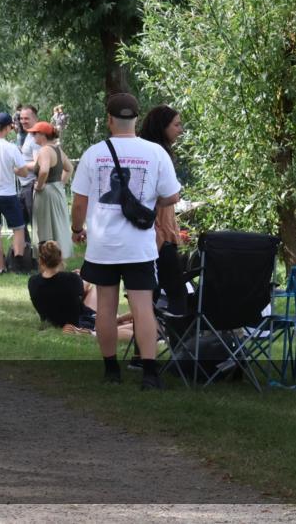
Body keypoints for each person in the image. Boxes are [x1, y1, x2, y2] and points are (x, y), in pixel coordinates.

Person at [70, 93, 181, 390]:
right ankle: (149, 373)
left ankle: (111, 371)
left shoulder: (94, 153)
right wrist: (149, 199)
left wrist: (76, 228)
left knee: (105, 307)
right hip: (139, 244)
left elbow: (79, 202)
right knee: (143, 307)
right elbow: (172, 195)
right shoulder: (155, 152)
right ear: (136, 118)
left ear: (109, 119)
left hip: (103, 244)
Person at [28, 241, 135, 339]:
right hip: (77, 321)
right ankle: (97, 332)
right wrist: (80, 277)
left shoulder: (32, 282)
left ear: (41, 260)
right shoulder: (71, 279)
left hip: (54, 320)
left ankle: (112, 322)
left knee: (131, 323)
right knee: (135, 327)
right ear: (60, 258)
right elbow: (82, 288)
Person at [139, 104, 187, 314]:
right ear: (162, 127)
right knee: (175, 291)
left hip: (150, 227)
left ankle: (150, 336)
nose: (180, 130)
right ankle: (176, 340)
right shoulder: (158, 154)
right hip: (159, 228)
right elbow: (170, 196)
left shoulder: (143, 150)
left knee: (150, 290)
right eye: (176, 125)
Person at [0, 111, 30, 273]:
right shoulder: (11, 147)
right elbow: (24, 172)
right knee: (18, 228)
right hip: (8, 193)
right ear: (7, 128)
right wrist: (12, 170)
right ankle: (18, 265)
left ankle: (0, 266)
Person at [28, 121, 75, 259]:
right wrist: (60, 184)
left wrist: (40, 185)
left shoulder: (44, 150)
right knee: (58, 225)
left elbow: (43, 171)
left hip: (46, 193)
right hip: (56, 191)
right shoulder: (57, 150)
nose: (32, 136)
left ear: (43, 135)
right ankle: (59, 256)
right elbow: (70, 168)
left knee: (45, 227)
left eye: (34, 133)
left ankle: (48, 259)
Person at [18, 105, 41, 241]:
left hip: (32, 187)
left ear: (35, 118)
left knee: (37, 226)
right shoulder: (29, 134)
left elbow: (39, 164)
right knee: (20, 224)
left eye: (26, 118)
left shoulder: (35, 137)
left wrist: (19, 165)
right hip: (25, 186)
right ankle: (27, 257)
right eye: (21, 118)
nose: (23, 121)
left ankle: (43, 258)